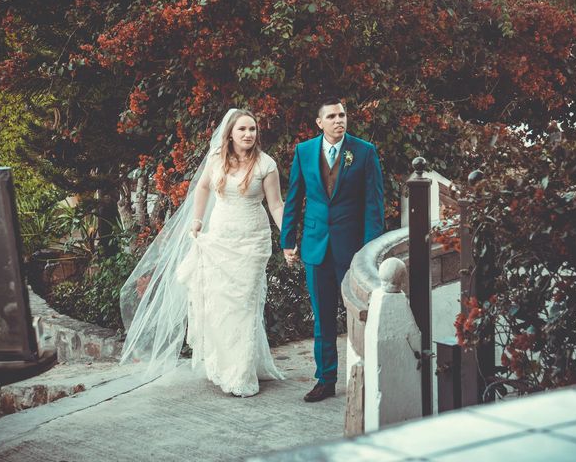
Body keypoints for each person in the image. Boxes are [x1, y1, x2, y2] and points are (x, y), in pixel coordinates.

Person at [119, 108, 284, 397]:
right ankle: (224, 365)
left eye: (253, 129)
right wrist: (197, 220)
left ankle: (242, 373)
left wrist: (290, 237)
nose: (248, 134)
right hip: (219, 238)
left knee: (245, 305)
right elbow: (203, 188)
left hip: (251, 241)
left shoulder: (266, 165)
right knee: (222, 305)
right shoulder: (216, 160)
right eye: (242, 129)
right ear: (230, 133)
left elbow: (276, 205)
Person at [280, 97, 384, 402]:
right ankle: (325, 379)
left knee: (362, 316)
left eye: (342, 115)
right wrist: (288, 240)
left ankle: (367, 374)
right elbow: (294, 198)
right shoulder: (304, 151)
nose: (339, 120)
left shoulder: (364, 152)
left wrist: (370, 251)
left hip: (352, 251)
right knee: (323, 318)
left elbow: (373, 205)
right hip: (315, 247)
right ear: (320, 122)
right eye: (332, 116)